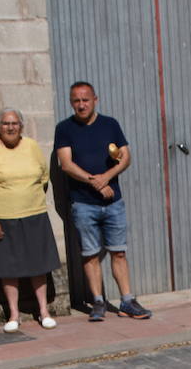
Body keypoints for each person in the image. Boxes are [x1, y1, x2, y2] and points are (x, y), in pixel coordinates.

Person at [54, 81, 152, 322]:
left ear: (95, 99)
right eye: (76, 100)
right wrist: (94, 182)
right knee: (90, 254)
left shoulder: (110, 124)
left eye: (85, 99)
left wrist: (106, 178)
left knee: (118, 252)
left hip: (113, 203)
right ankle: (97, 302)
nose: (81, 105)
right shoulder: (64, 128)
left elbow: (125, 156)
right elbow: (65, 164)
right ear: (71, 102)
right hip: (83, 203)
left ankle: (127, 301)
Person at [0, 108, 61, 333]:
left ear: (21, 126)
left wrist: (31, 198)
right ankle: (13, 314)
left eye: (14, 123)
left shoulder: (31, 146)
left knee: (38, 266)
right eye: (5, 124)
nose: (10, 127)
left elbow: (44, 176)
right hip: (3, 219)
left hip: (34, 215)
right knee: (8, 268)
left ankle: (44, 311)